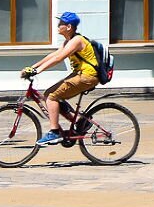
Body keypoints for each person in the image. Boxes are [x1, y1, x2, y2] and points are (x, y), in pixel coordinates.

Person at [20, 12, 102, 146]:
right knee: (50, 94)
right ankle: (81, 121)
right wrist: (33, 67)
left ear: (69, 26)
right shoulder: (69, 41)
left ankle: (55, 132)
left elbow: (59, 58)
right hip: (81, 74)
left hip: (88, 76)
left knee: (51, 96)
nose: (58, 26)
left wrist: (37, 71)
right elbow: (55, 54)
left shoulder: (77, 41)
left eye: (61, 24)